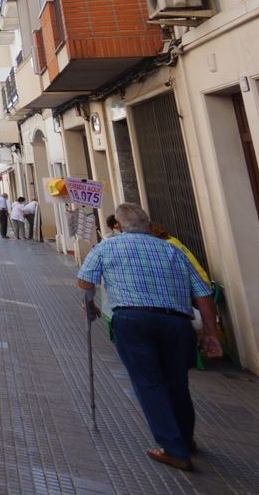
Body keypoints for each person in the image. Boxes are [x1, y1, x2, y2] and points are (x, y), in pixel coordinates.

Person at [77, 202, 220, 472]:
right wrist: (211, 333)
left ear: (118, 226)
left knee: (149, 384)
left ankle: (175, 449)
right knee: (177, 383)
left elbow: (85, 281)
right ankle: (185, 439)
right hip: (177, 323)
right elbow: (203, 293)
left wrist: (91, 305)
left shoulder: (107, 246)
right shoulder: (172, 250)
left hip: (133, 320)